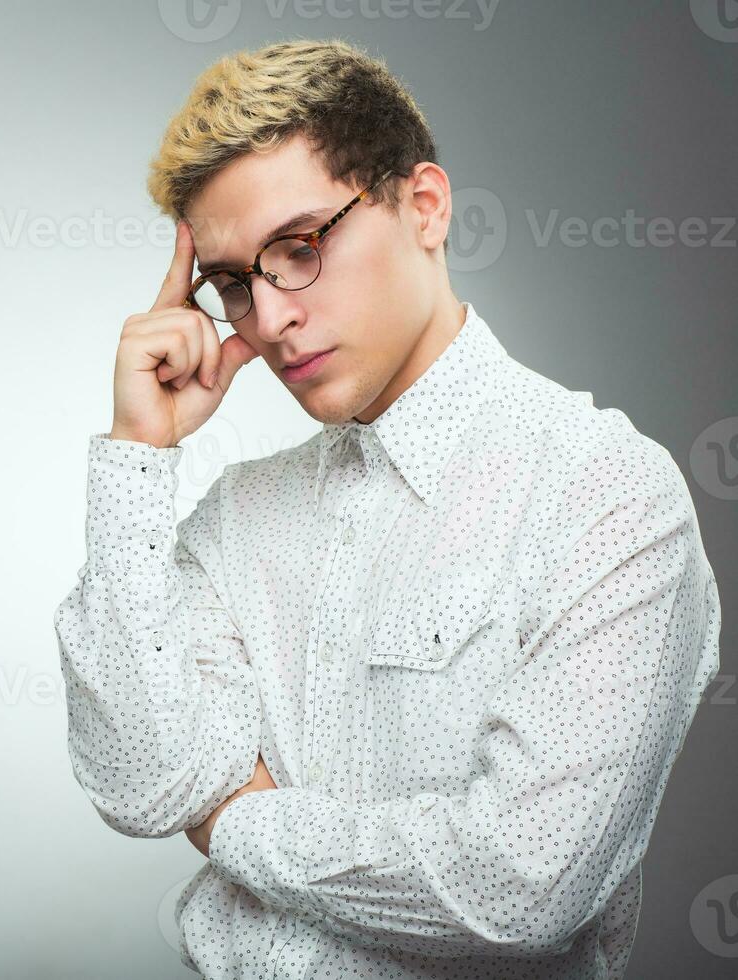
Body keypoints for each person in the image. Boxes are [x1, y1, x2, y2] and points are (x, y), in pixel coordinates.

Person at [52, 38, 721, 979]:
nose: (269, 319)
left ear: (425, 208)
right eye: (236, 282)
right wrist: (137, 457)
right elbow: (137, 779)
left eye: (299, 249)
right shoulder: (236, 517)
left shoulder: (604, 495)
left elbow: (518, 888)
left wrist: (238, 821)